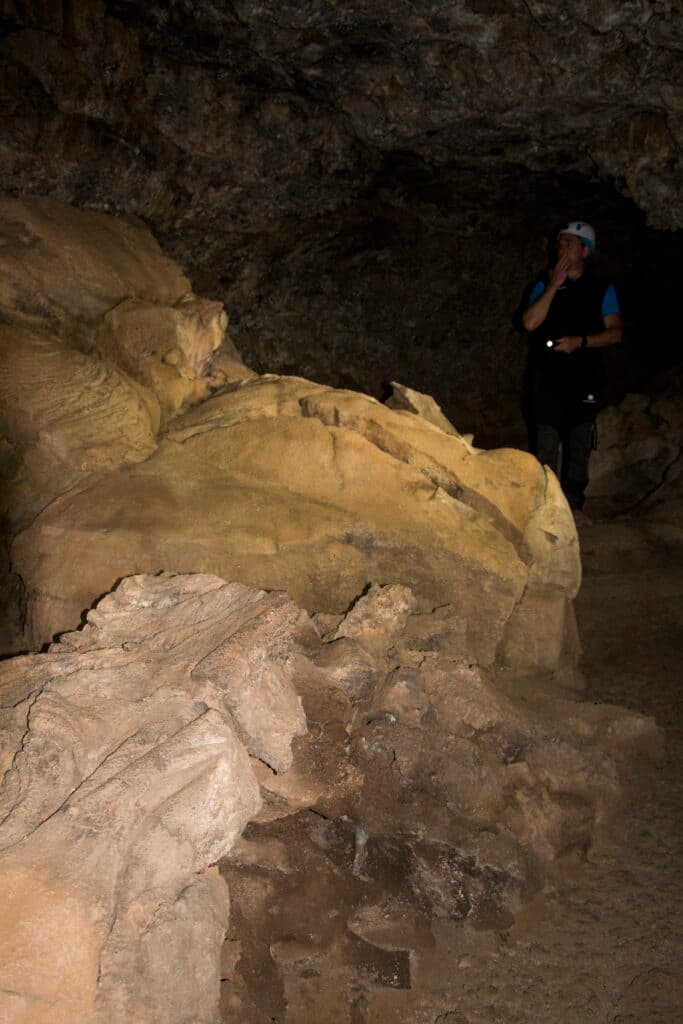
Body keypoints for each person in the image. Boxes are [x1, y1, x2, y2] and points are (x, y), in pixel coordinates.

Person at [521, 221, 623, 520]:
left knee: (579, 442)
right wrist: (554, 285)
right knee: (546, 442)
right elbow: (529, 323)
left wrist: (582, 342)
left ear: (585, 250)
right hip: (547, 378)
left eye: (568, 243)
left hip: (584, 378)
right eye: (559, 243)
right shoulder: (543, 283)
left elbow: (616, 332)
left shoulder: (602, 288)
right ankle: (545, 507)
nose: (561, 247)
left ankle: (575, 505)